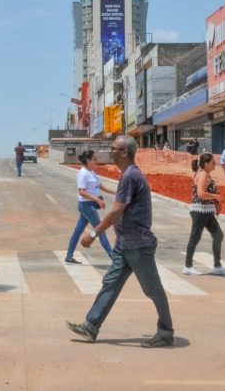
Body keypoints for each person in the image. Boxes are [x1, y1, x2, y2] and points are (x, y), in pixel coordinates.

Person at [66, 136, 174, 348]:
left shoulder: (130, 176)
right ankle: (91, 325)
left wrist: (94, 233)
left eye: (113, 148)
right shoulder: (128, 175)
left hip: (137, 244)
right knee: (111, 283)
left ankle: (165, 332)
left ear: (125, 152)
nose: (110, 151)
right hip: (125, 244)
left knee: (153, 289)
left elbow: (116, 210)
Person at [182, 153, 225, 276]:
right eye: (212, 162)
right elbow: (201, 193)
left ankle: (217, 265)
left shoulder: (205, 174)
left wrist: (215, 203)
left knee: (218, 235)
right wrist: (216, 197)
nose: (215, 164)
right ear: (206, 163)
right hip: (200, 211)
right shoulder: (203, 175)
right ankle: (187, 266)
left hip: (207, 211)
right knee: (195, 237)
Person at [65, 150, 113, 264]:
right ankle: (114, 258)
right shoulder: (83, 173)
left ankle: (69, 256)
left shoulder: (91, 172)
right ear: (88, 161)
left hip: (88, 206)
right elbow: (81, 192)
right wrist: (97, 200)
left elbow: (100, 186)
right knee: (101, 231)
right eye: (94, 159)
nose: (96, 161)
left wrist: (115, 192)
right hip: (86, 206)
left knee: (77, 232)